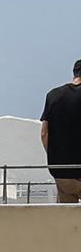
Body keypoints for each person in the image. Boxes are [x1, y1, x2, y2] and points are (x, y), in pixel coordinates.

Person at [40, 60, 81, 202]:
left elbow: (44, 133)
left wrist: (55, 158)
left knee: (67, 219)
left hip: (63, 172)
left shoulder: (53, 95)